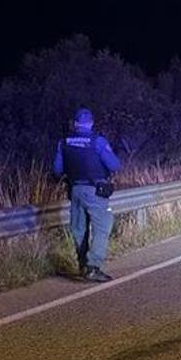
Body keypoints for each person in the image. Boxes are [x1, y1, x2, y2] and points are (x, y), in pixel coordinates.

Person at [53, 107, 122, 281]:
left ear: (75, 123)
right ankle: (93, 266)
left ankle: (83, 265)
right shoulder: (97, 142)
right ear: (91, 123)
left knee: (78, 229)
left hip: (75, 190)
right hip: (95, 191)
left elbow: (57, 170)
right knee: (102, 227)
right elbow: (114, 165)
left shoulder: (64, 142)